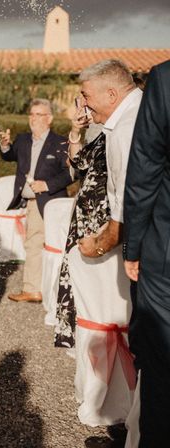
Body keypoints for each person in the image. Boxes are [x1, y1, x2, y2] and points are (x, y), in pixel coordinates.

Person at [65, 59, 141, 446]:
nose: (83, 104)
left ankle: (135, 424)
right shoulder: (116, 123)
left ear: (112, 93)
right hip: (112, 229)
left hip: (127, 238)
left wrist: (103, 242)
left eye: (87, 95)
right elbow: (80, 167)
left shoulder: (127, 127)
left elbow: (130, 197)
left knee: (137, 329)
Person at [123, 59, 170, 447]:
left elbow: (144, 171)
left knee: (162, 368)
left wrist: (133, 246)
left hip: (166, 255)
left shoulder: (165, 78)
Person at [1, 99, 72, 303]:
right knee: (35, 244)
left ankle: (34, 289)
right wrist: (5, 146)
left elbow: (71, 173)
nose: (33, 118)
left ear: (49, 118)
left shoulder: (60, 143)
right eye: (31, 114)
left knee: (39, 244)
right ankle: (40, 288)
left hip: (51, 202)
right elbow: (9, 156)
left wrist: (46, 185)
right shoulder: (23, 140)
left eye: (38, 114)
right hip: (29, 203)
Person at [54, 103, 109, 349]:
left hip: (105, 222)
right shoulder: (101, 136)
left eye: (86, 100)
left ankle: (102, 337)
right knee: (79, 274)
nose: (84, 108)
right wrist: (75, 133)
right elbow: (78, 163)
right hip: (85, 218)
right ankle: (84, 334)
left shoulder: (124, 133)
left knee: (100, 279)